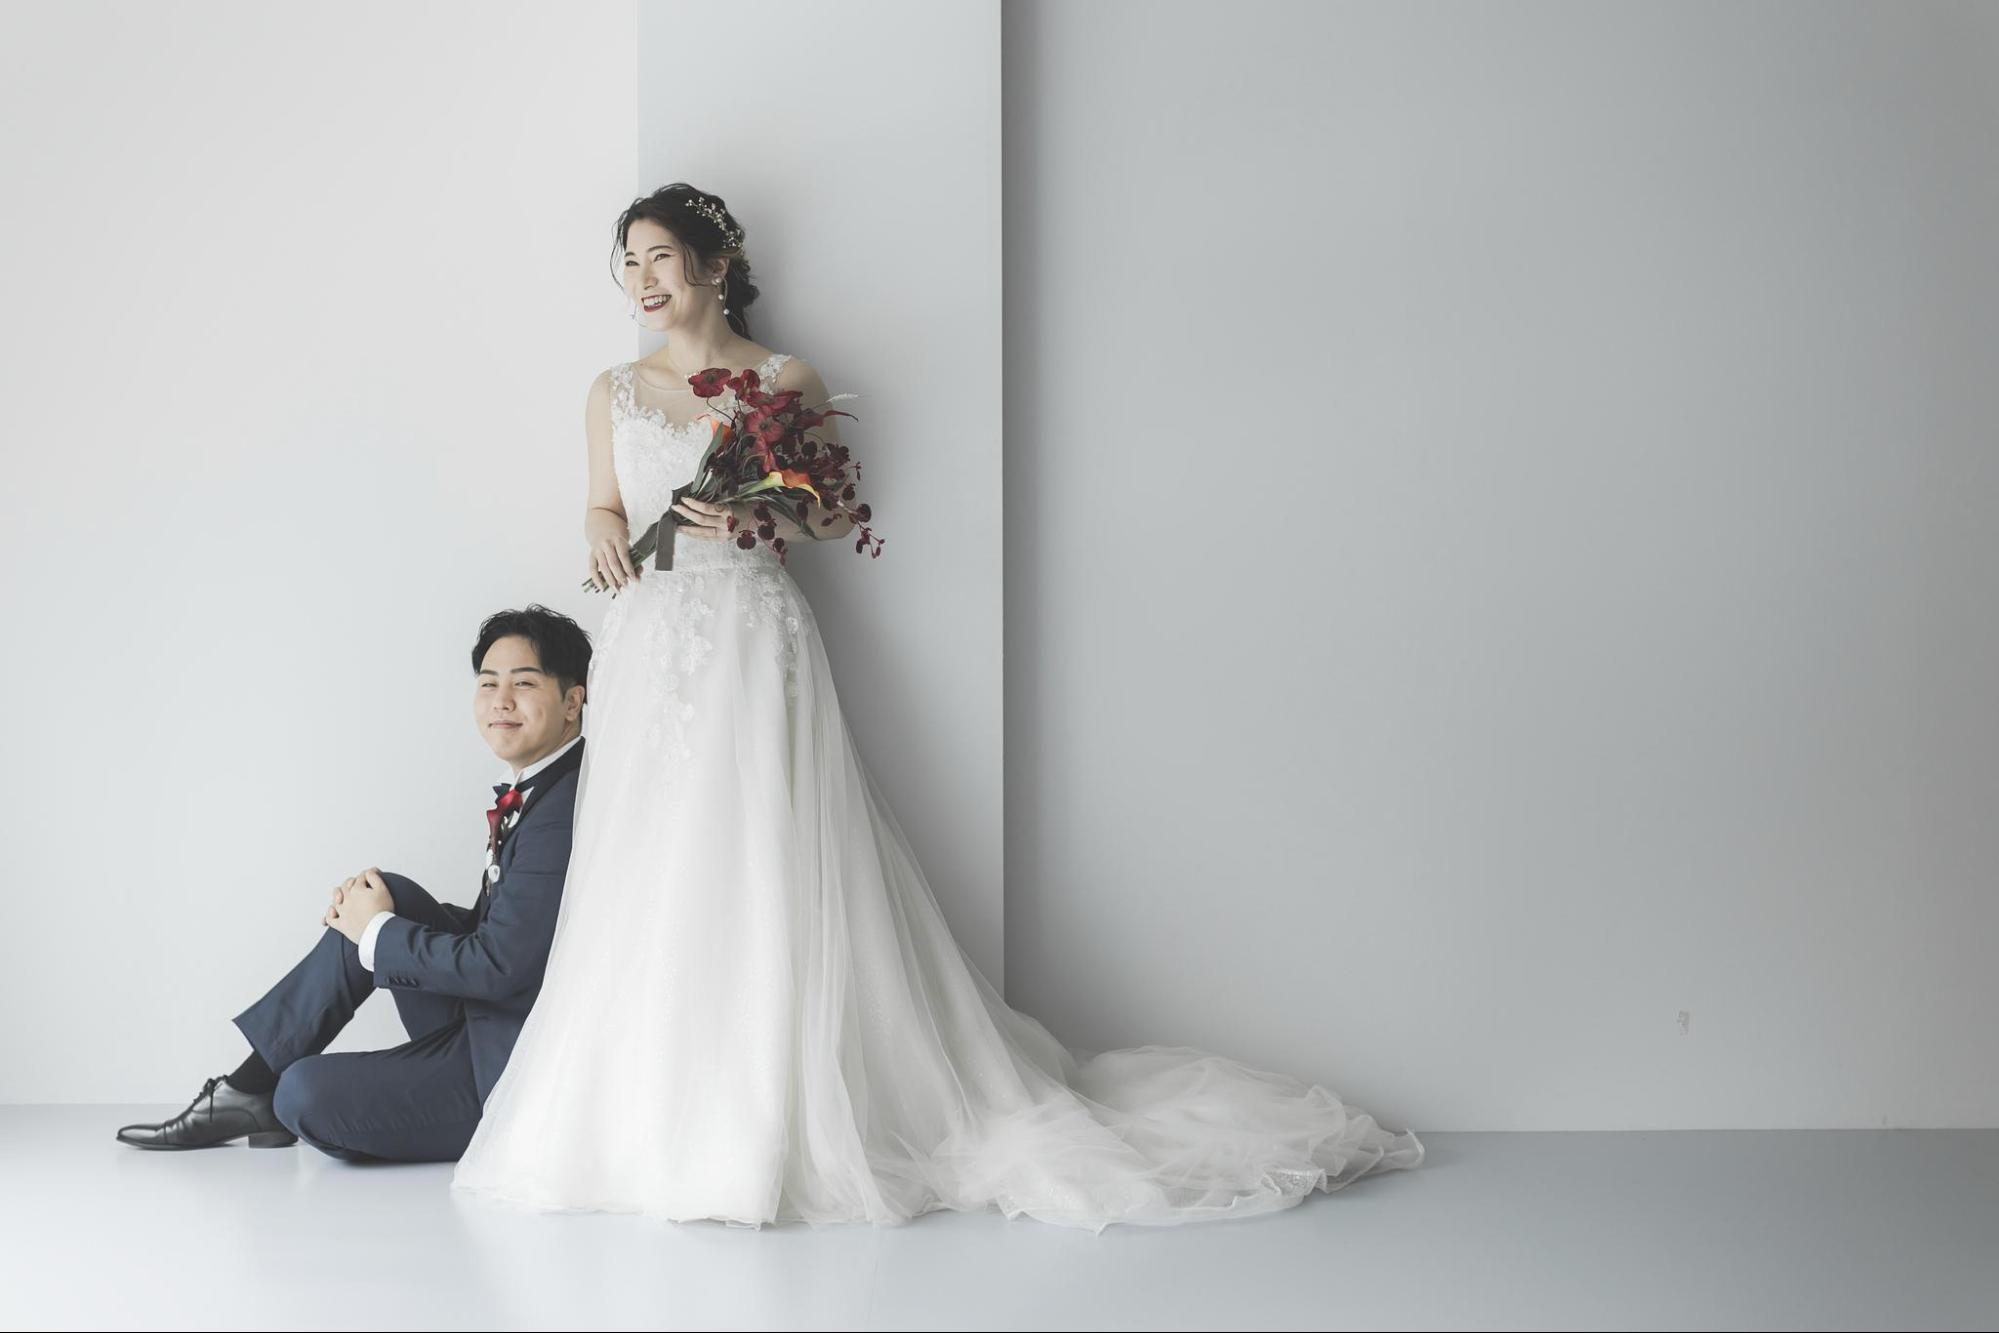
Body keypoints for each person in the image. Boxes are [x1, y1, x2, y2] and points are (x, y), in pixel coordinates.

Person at [449, 184, 1425, 1231]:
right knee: (644, 858)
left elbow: (827, 515)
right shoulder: (611, 389)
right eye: (629, 263)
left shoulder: (783, 379)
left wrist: (756, 520)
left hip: (749, 636)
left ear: (715, 265)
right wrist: (602, 528)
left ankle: (764, 1117)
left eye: (659, 258)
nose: (642, 281)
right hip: (648, 643)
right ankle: (641, 1118)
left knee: (761, 850)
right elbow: (604, 503)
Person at [114, 607, 591, 1160]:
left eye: (523, 683)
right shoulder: (548, 786)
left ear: (572, 701)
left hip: (509, 1069)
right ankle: (245, 1090)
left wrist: (378, 932)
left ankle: (252, 1094)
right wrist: (378, 916)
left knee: (301, 1093)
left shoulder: (560, 812)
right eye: (488, 683)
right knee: (384, 894)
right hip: (485, 1022)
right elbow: (526, 932)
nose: (500, 700)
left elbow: (503, 967)